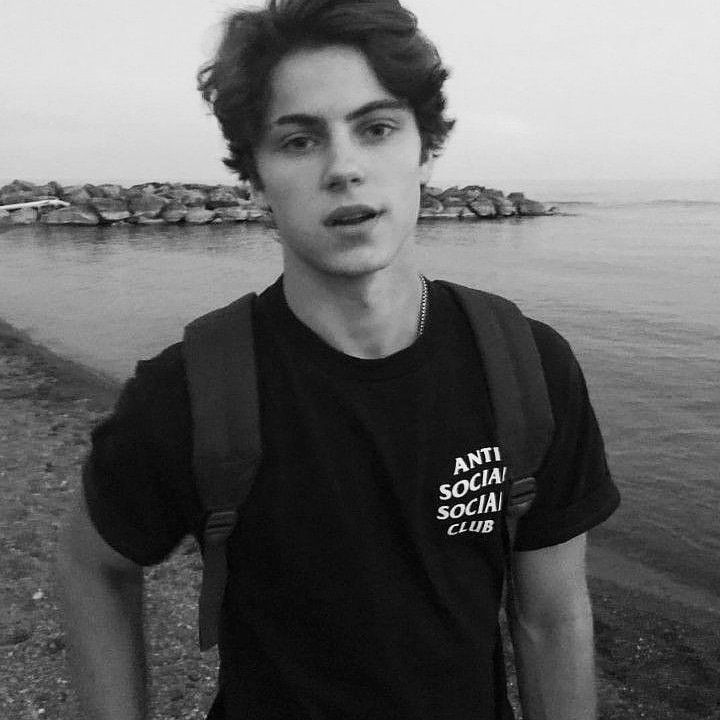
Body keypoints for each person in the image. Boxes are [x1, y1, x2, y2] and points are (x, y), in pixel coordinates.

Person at [57, 0, 620, 718]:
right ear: (255, 178)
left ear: (425, 151)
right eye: (299, 141)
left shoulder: (526, 366)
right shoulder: (191, 391)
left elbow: (552, 615)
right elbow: (93, 565)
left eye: (377, 128)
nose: (344, 168)